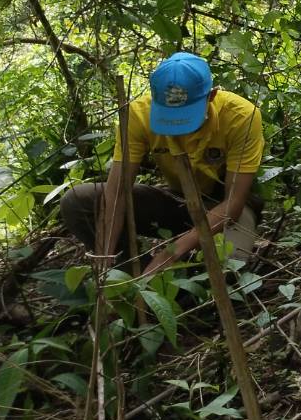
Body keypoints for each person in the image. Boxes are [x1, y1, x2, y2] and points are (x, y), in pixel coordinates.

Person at [60, 52, 264, 276]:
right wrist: (105, 258)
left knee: (229, 268)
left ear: (212, 96)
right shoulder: (138, 116)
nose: (178, 126)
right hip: (177, 201)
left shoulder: (241, 116)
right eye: (169, 116)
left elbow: (233, 203)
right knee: (78, 200)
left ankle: (181, 283)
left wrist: (171, 252)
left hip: (223, 207)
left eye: (186, 117)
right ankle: (133, 281)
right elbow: (117, 192)